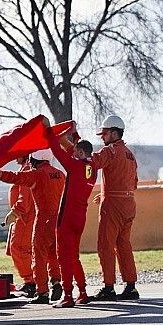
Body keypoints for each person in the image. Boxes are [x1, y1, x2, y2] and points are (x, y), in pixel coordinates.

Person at [0, 149, 65, 304]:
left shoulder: (35, 173)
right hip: (58, 219)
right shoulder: (60, 174)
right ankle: (56, 282)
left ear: (34, 157)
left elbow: (13, 178)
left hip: (41, 219)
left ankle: (40, 291)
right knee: (52, 254)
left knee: (38, 256)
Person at [87, 115, 140, 301]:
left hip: (113, 206)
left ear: (114, 133)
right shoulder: (130, 155)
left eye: (105, 133)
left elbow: (92, 162)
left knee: (105, 246)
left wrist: (76, 150)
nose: (102, 137)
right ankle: (131, 287)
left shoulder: (110, 151)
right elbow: (132, 184)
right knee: (124, 245)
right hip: (129, 204)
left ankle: (108, 288)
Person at [48, 130, 98, 308]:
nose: (73, 153)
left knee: (64, 258)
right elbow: (75, 153)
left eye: (76, 151)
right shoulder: (92, 168)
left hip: (67, 218)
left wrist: (49, 133)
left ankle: (67, 295)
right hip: (80, 217)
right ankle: (82, 292)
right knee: (74, 257)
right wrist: (75, 137)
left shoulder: (74, 166)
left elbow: (57, 151)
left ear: (81, 153)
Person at [3, 155, 36, 297]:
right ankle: (35, 280)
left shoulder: (27, 169)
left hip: (25, 217)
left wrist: (15, 212)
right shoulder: (26, 167)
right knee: (20, 249)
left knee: (19, 249)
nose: (14, 157)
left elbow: (25, 196)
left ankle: (31, 282)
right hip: (24, 216)